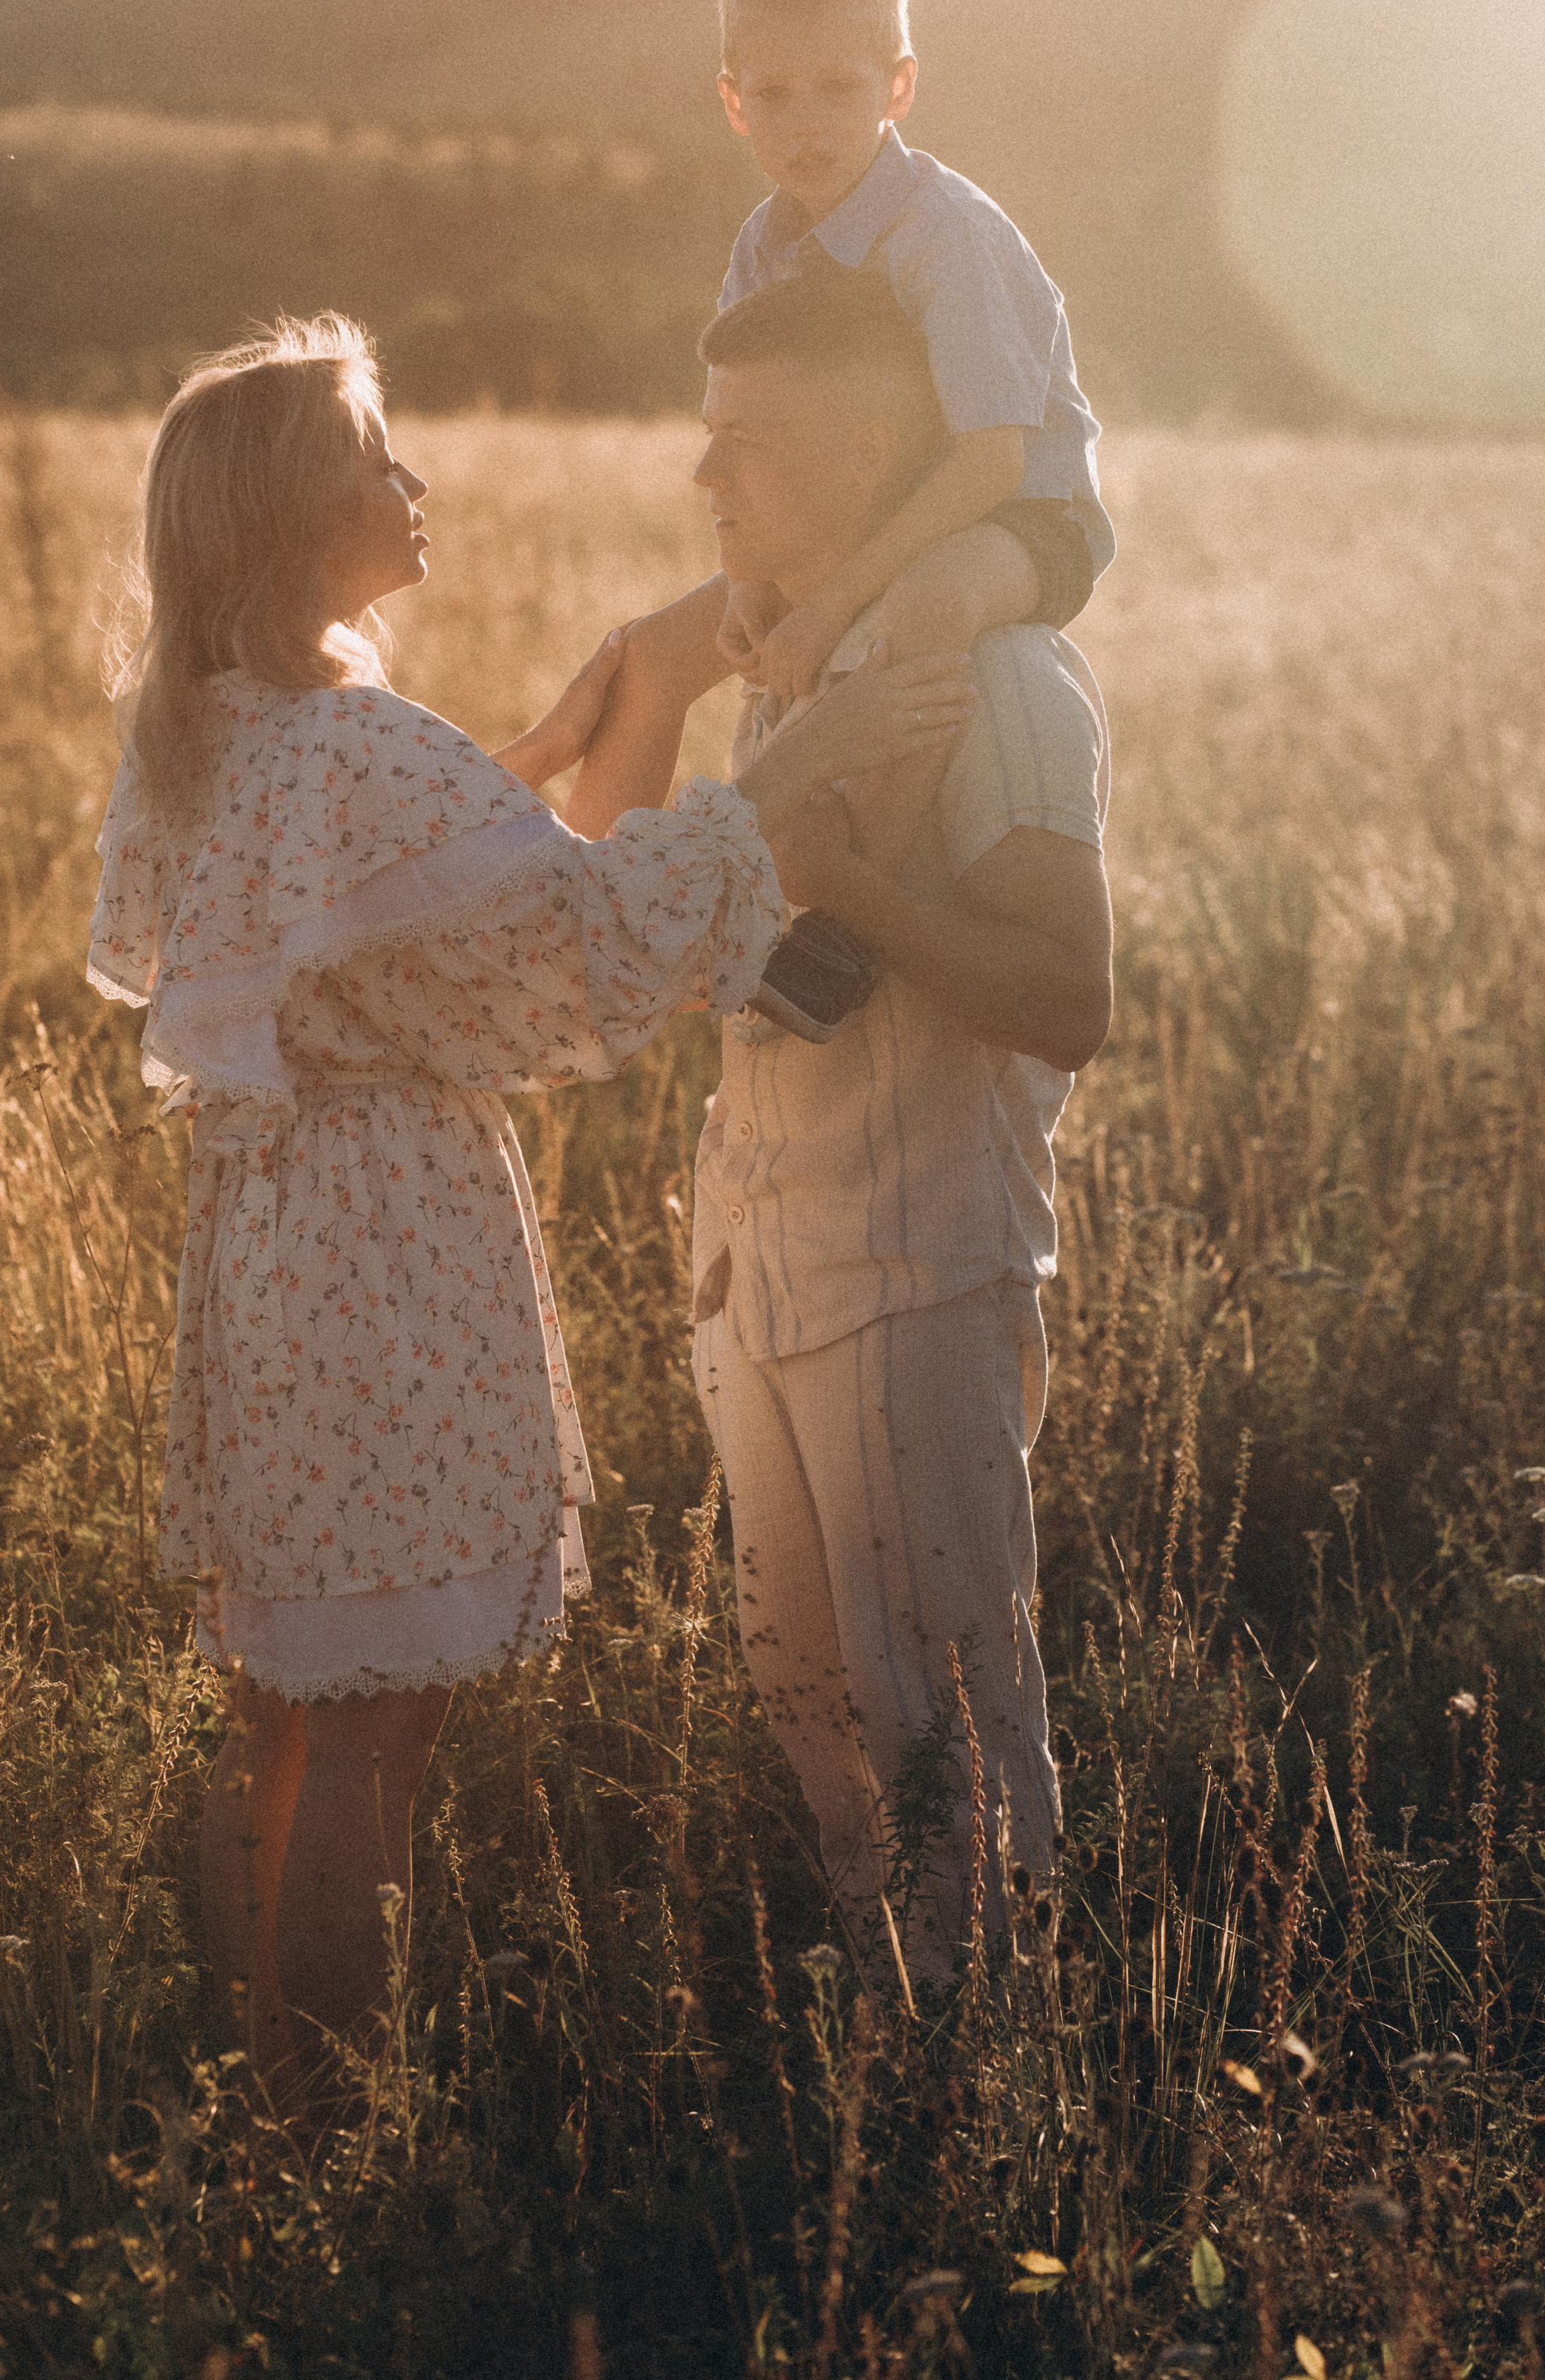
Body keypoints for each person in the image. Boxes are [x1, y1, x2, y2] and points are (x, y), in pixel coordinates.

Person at [86, 312, 973, 2098]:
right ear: (280, 516)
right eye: (369, 456)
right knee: (369, 1737)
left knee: (289, 1705)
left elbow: (433, 899)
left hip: (272, 1251)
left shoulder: (222, 728)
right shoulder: (353, 742)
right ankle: (329, 2132)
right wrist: (799, 765)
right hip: (382, 1260)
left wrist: (614, 699)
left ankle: (273, 2111)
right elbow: (582, 941)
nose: (409, 480)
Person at [584, 265, 1114, 1994]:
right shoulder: (799, 682)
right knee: (810, 1703)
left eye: (747, 440)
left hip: (913, 1259)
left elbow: (1065, 999)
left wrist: (852, 888)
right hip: (762, 1256)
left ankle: (985, 2100)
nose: (705, 478)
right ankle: (889, 2073)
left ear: (876, 442)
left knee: (946, 1712)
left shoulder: (1001, 683)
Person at [566, 0, 1112, 841]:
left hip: (1019, 517)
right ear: (733, 104)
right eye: (773, 95)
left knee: (925, 608)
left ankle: (856, 903)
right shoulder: (762, 242)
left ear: (897, 86)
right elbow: (748, 423)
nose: (803, 122)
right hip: (854, 513)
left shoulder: (947, 237)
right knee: (651, 659)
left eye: (837, 90)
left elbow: (990, 461)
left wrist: (825, 607)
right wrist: (749, 580)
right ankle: (588, 920)